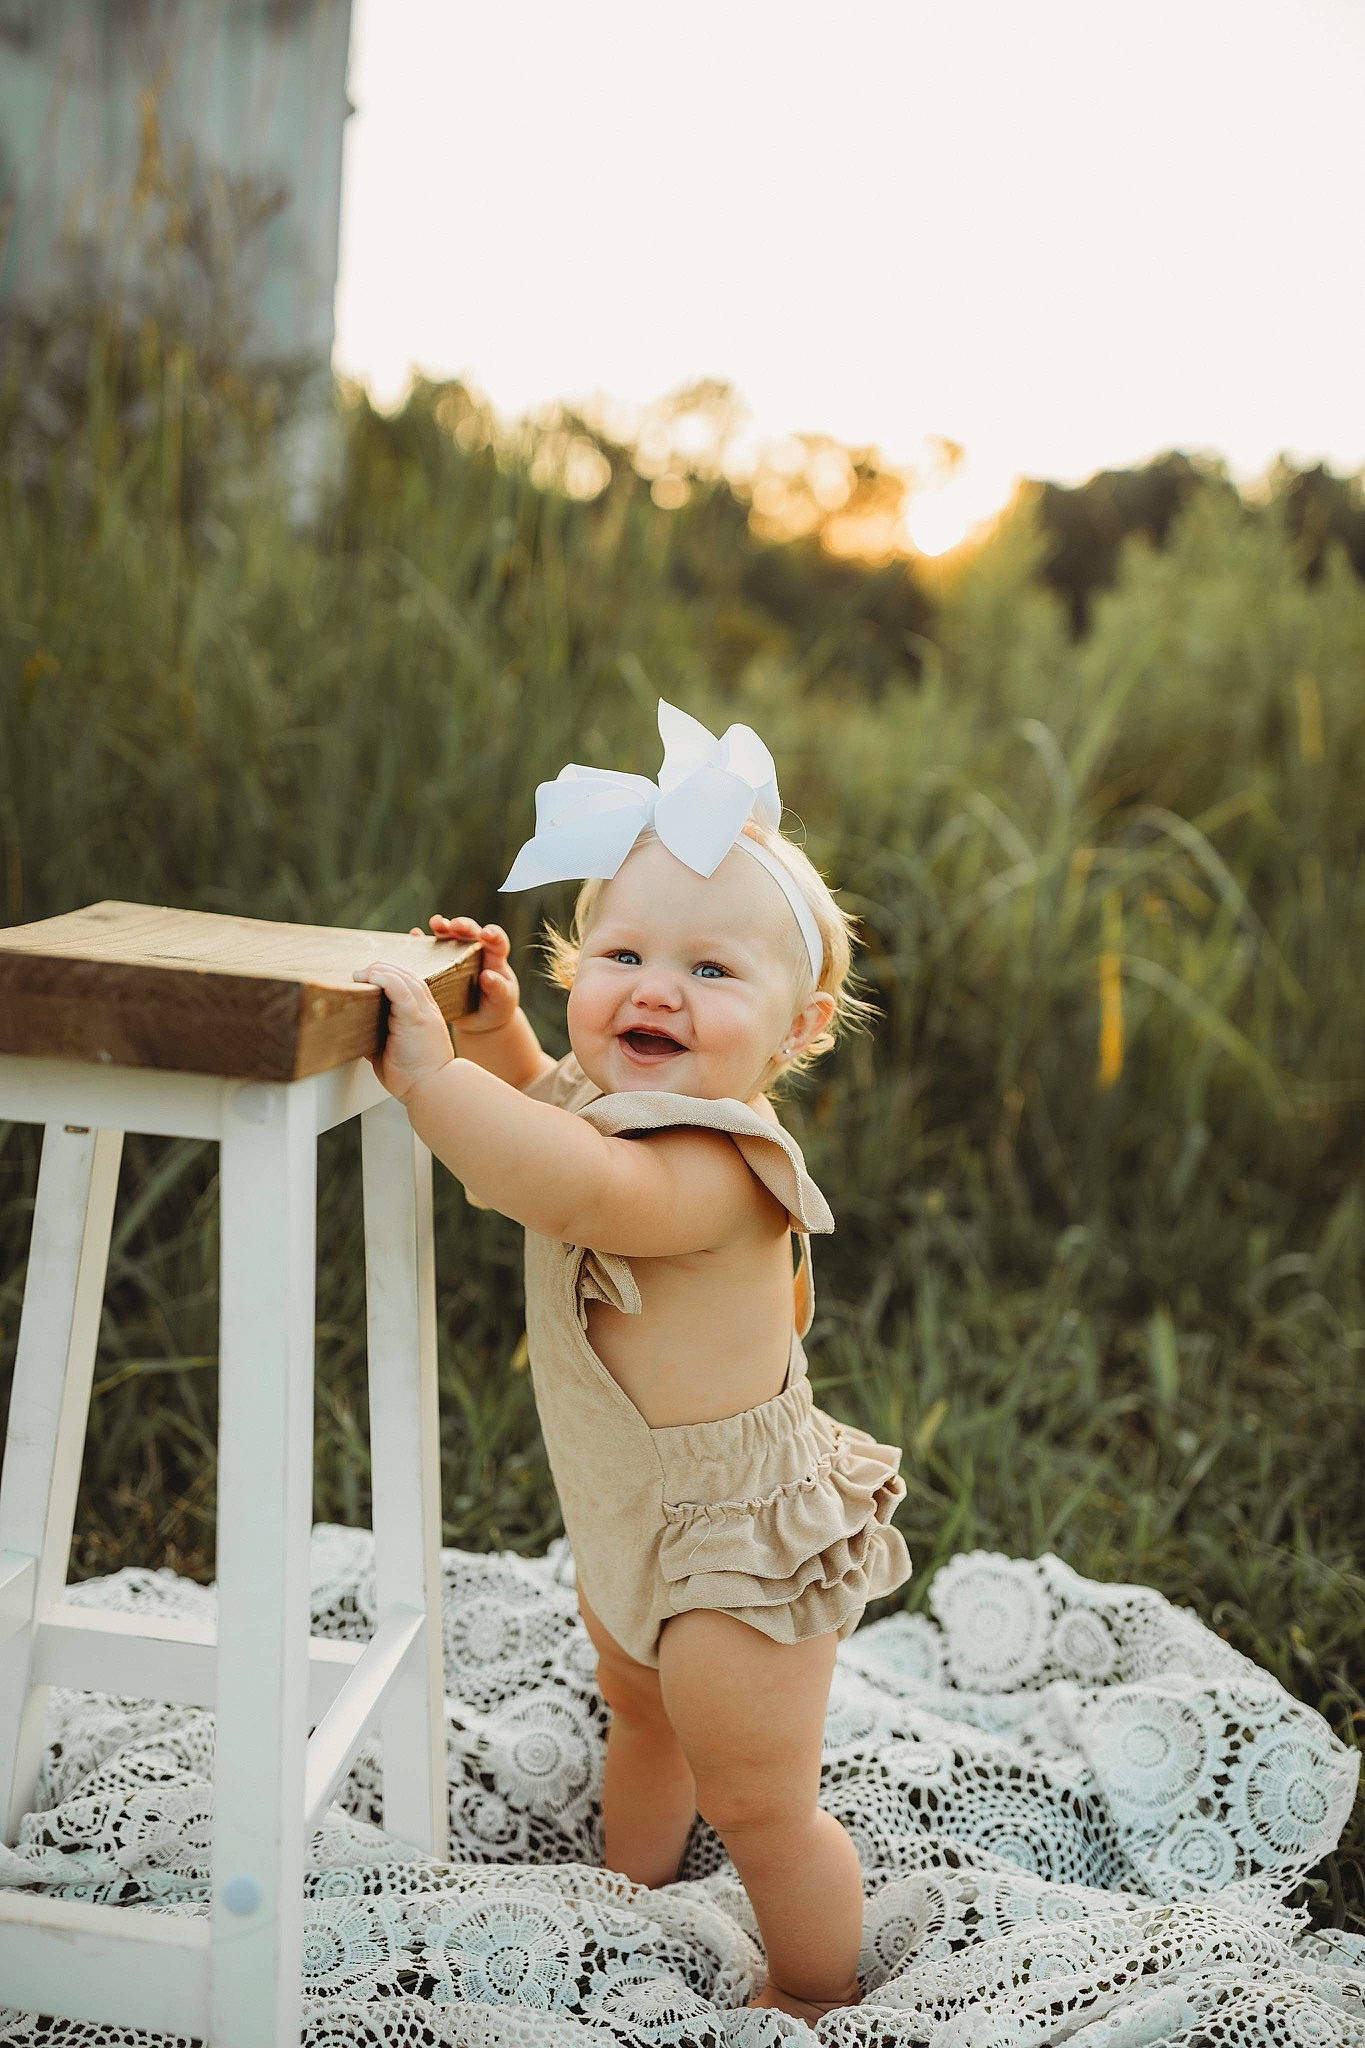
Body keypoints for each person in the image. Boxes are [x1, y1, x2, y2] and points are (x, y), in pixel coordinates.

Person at [353, 698, 913, 2022]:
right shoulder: (619, 1101)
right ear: (572, 962)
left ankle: (813, 1992)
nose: (657, 988)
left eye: (714, 973)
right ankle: (632, 1890)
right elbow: (557, 1110)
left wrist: (435, 1082)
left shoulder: (722, 1164)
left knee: (760, 1800)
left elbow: (577, 1185)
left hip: (738, 1543)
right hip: (631, 1510)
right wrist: (492, 1037)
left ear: (798, 1025)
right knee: (639, 1710)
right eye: (623, 952)